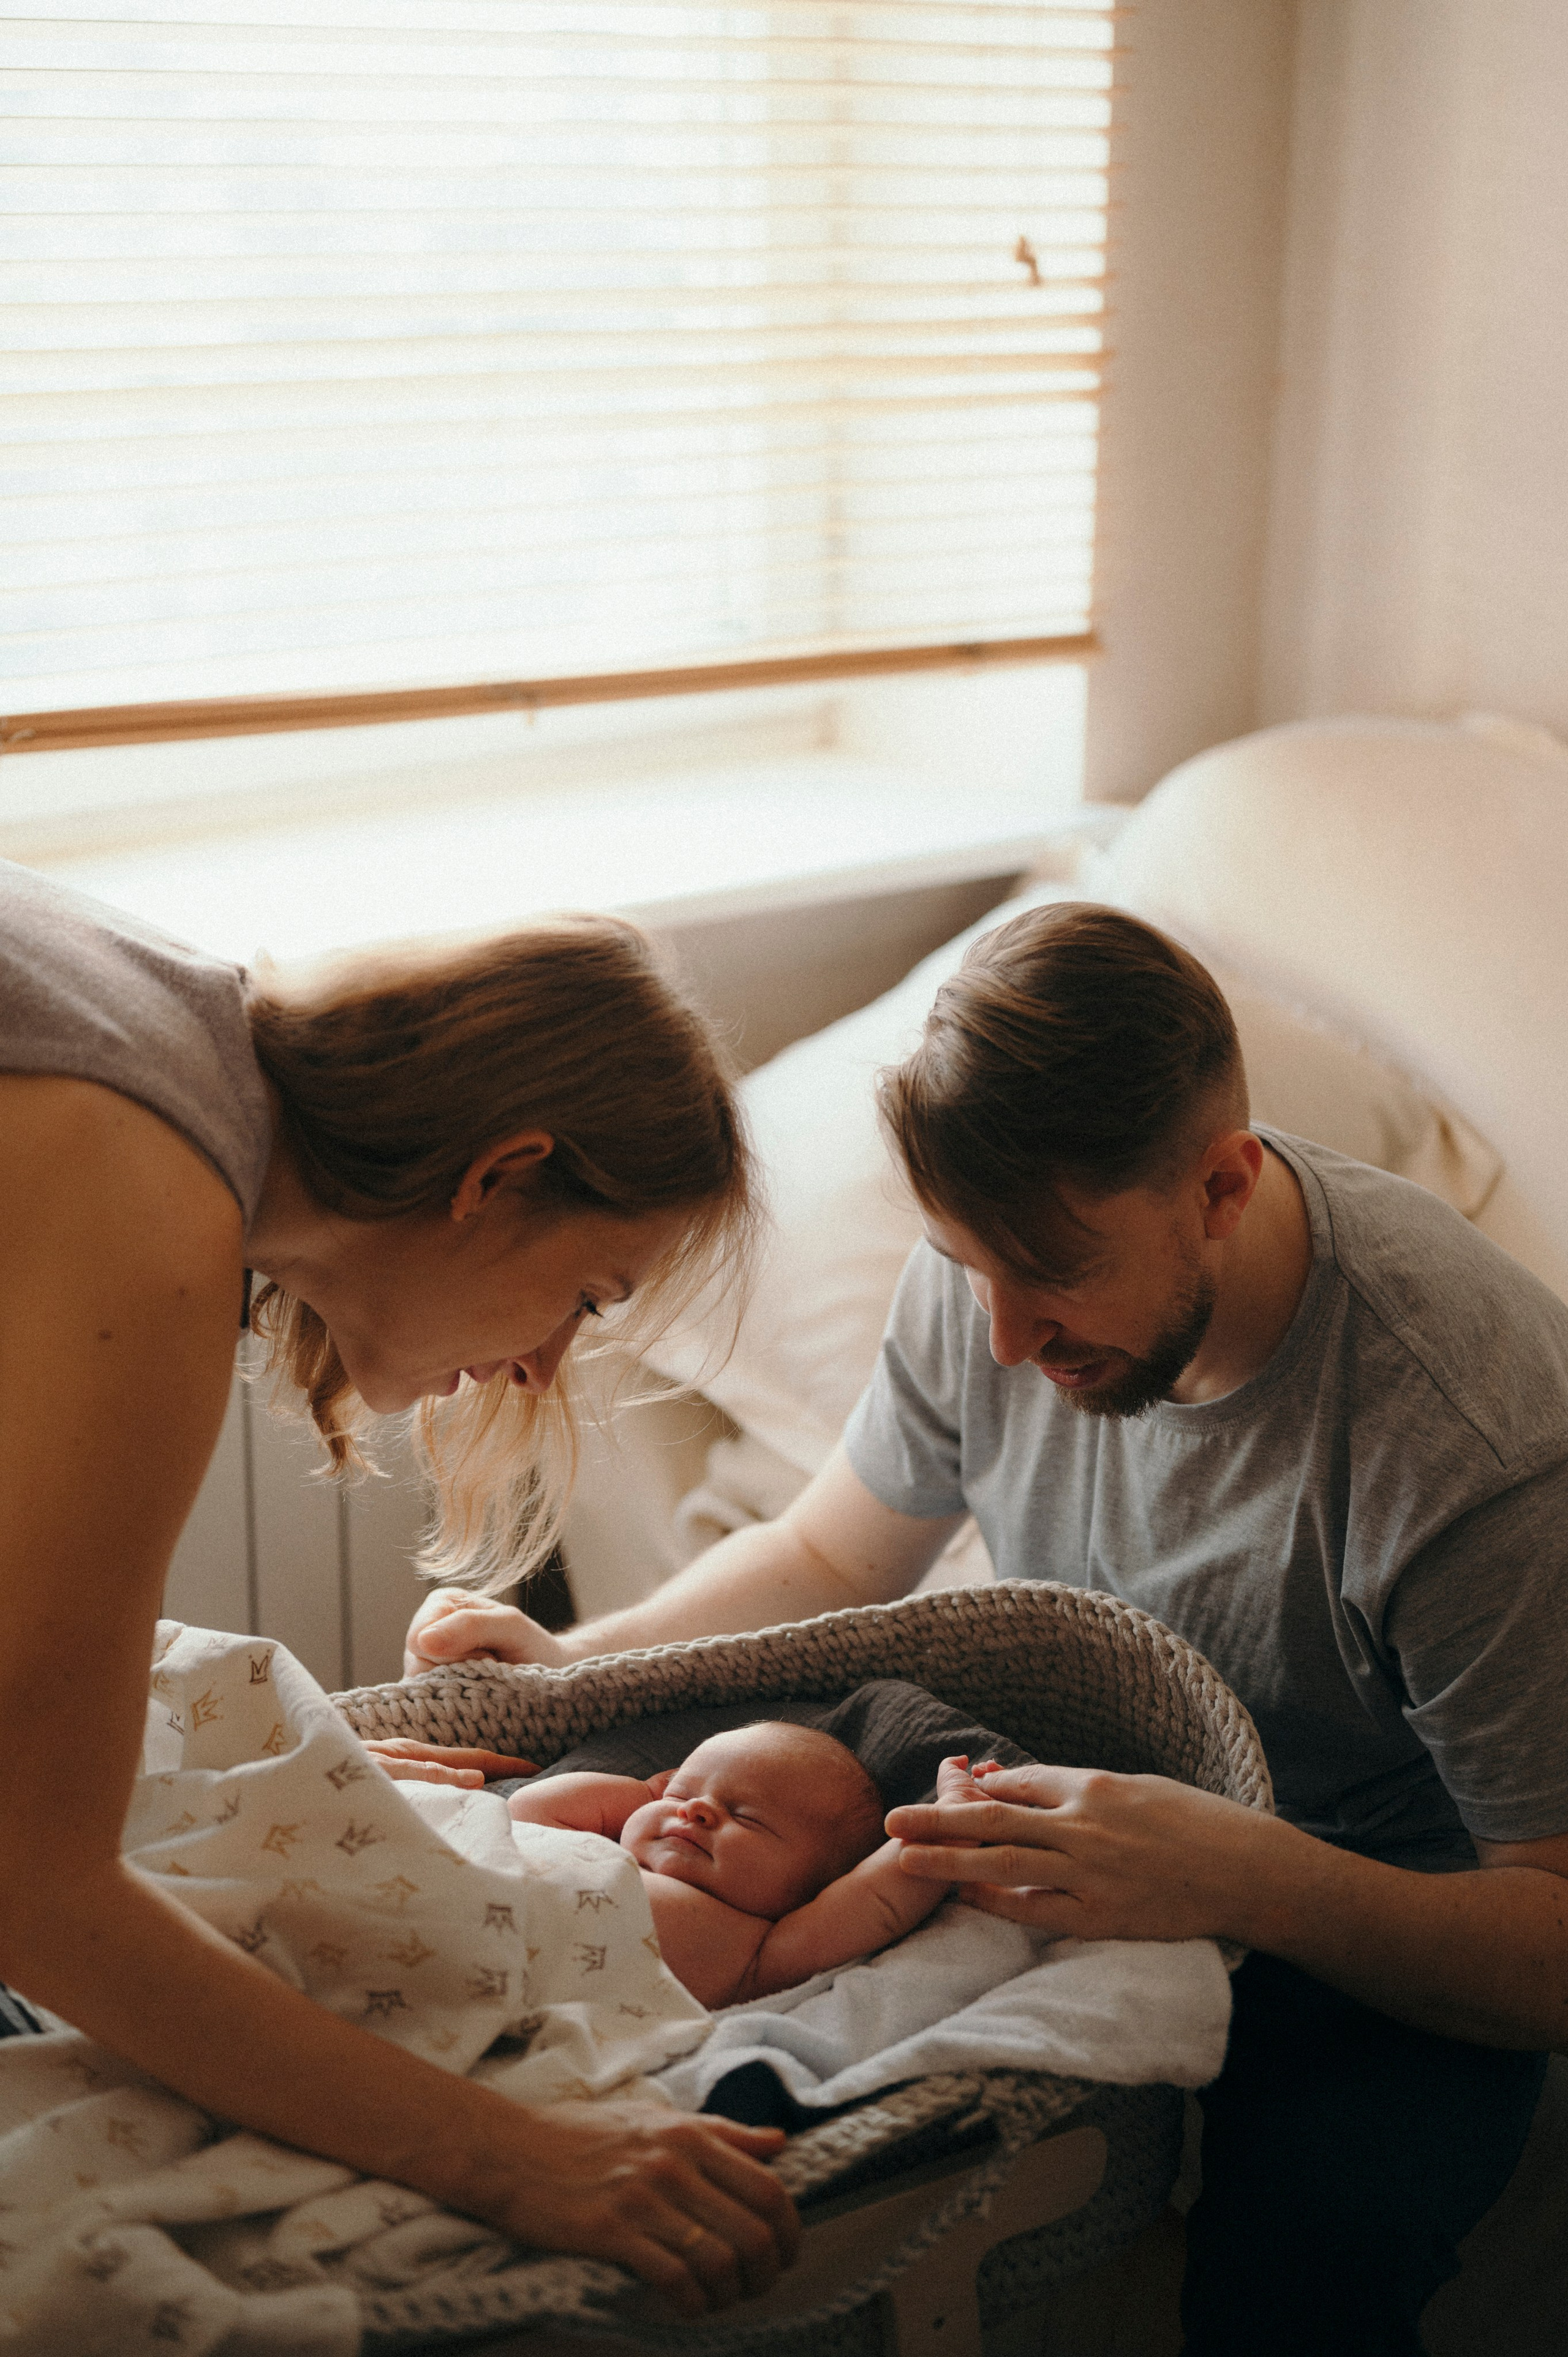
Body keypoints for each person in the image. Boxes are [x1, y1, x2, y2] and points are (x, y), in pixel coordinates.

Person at [404, 900, 1568, 2355]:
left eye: (1052, 1277)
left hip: (1366, 1894)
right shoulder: (992, 1276)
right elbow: (834, 1546)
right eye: (967, 1266)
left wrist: (1252, 1879)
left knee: (1306, 2256)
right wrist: (588, 1660)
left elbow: (1547, 1935)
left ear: (1221, 1184)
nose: (1003, 1340)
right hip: (1063, 1783)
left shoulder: (1469, 1446)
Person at [0, 859, 798, 2318]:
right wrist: (519, 2159)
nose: (544, 1363)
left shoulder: (158, 1023)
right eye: (590, 1294)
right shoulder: (150, 1195)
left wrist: (144, 1748)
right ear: (498, 1177)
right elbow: (32, 1885)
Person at [507, 1722, 960, 2006]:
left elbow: (879, 1897)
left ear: (816, 1889)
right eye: (681, 1794)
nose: (695, 1810)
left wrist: (951, 1823)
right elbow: (526, 1809)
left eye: (747, 1817)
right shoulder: (596, 1845)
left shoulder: (761, 1954)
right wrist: (645, 1795)